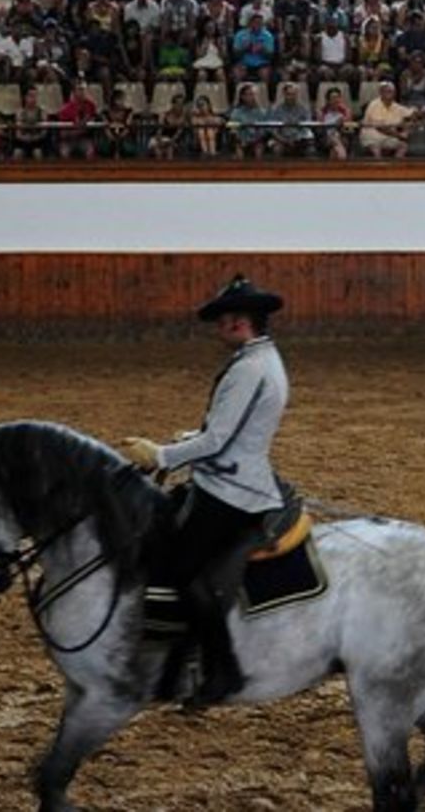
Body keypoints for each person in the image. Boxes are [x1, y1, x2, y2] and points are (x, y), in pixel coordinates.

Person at [121, 276, 290, 706]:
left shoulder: (249, 368)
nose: (219, 327)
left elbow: (217, 441)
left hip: (232, 491)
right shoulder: (262, 359)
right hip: (232, 477)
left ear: (239, 322)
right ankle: (177, 667)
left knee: (183, 573)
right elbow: (225, 431)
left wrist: (160, 455)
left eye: (223, 319)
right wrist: (187, 440)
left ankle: (223, 670)